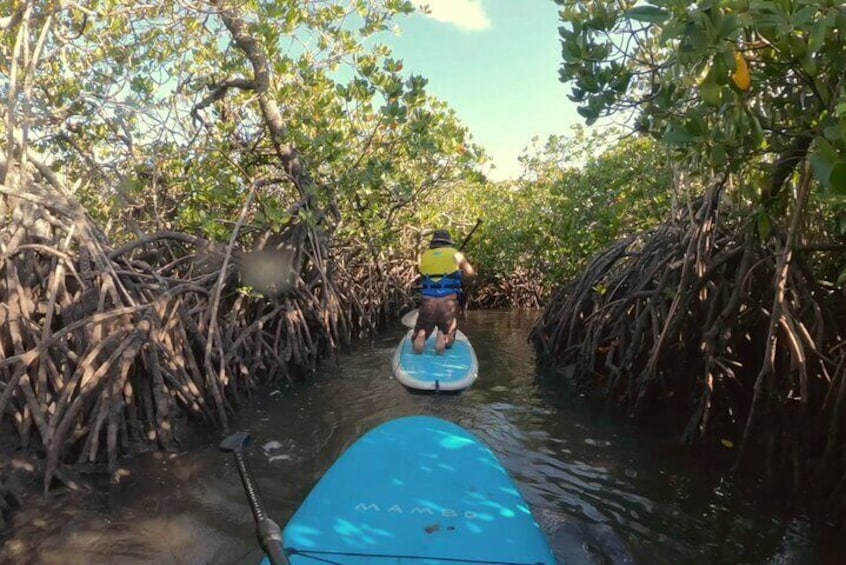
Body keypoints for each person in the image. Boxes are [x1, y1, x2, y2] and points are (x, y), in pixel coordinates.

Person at [412, 229, 475, 354]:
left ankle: (421, 335)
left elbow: (426, 273)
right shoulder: (456, 254)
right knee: (449, 335)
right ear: (448, 242)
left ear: (434, 243)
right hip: (448, 303)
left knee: (421, 330)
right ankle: (444, 336)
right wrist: (459, 270)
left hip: (427, 302)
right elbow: (470, 273)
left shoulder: (425, 255)